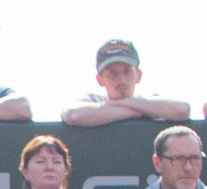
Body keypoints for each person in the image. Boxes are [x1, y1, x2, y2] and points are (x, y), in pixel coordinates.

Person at [63, 37, 193, 129]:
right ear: (100, 79)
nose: (121, 80)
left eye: (127, 72)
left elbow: (182, 110)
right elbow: (73, 115)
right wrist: (135, 111)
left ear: (138, 75)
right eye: (112, 73)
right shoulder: (91, 100)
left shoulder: (151, 102)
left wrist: (125, 103)